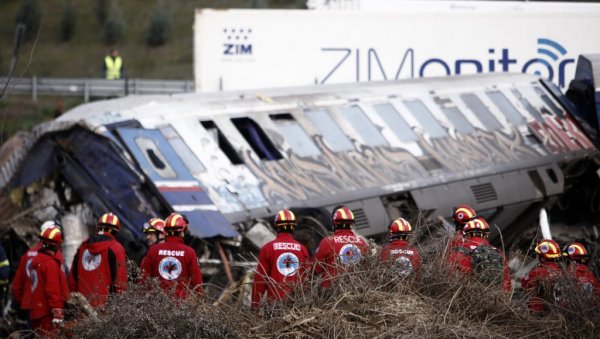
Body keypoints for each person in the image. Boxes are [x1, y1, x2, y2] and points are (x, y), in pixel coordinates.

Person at [8, 220, 65, 331]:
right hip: (46, 309)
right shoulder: (53, 259)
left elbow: (18, 283)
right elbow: (55, 288)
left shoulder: (30, 255)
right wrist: (58, 308)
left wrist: (20, 302)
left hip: (29, 305)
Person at [251, 209, 310, 311]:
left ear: (276, 226)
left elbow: (260, 281)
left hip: (273, 306)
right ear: (294, 226)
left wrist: (255, 306)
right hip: (297, 307)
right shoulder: (302, 249)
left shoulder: (268, 248)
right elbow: (306, 280)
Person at [69, 212, 127, 308]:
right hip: (104, 312)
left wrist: (74, 304)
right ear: (115, 231)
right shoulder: (116, 248)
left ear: (98, 227)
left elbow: (72, 278)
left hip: (82, 309)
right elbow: (120, 281)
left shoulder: (83, 247)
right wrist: (120, 307)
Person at [140, 213, 203, 298]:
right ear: (182, 231)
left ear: (164, 232)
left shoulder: (153, 251)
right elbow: (197, 283)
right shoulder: (189, 252)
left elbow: (143, 280)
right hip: (180, 305)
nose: (148, 237)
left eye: (151, 234)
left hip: (155, 304)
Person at [23, 226, 69, 337]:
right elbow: (53, 290)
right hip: (47, 313)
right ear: (57, 244)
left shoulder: (38, 260)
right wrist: (57, 310)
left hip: (37, 311)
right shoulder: (50, 264)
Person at [447, 217, 511, 291]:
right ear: (486, 235)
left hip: (460, 294)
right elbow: (506, 283)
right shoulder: (498, 253)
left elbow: (447, 272)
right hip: (488, 297)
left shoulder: (459, 248)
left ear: (466, 234)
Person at [314, 206, 369, 288]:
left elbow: (315, 269)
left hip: (331, 291)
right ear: (352, 223)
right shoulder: (362, 242)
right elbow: (368, 266)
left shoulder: (327, 242)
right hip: (358, 289)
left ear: (334, 223)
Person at [521, 239, 563, 313]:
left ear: (542, 257)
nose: (537, 256)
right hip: (556, 311)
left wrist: (524, 278)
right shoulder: (560, 271)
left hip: (538, 312)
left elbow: (526, 287)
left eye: (538, 254)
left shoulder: (537, 273)